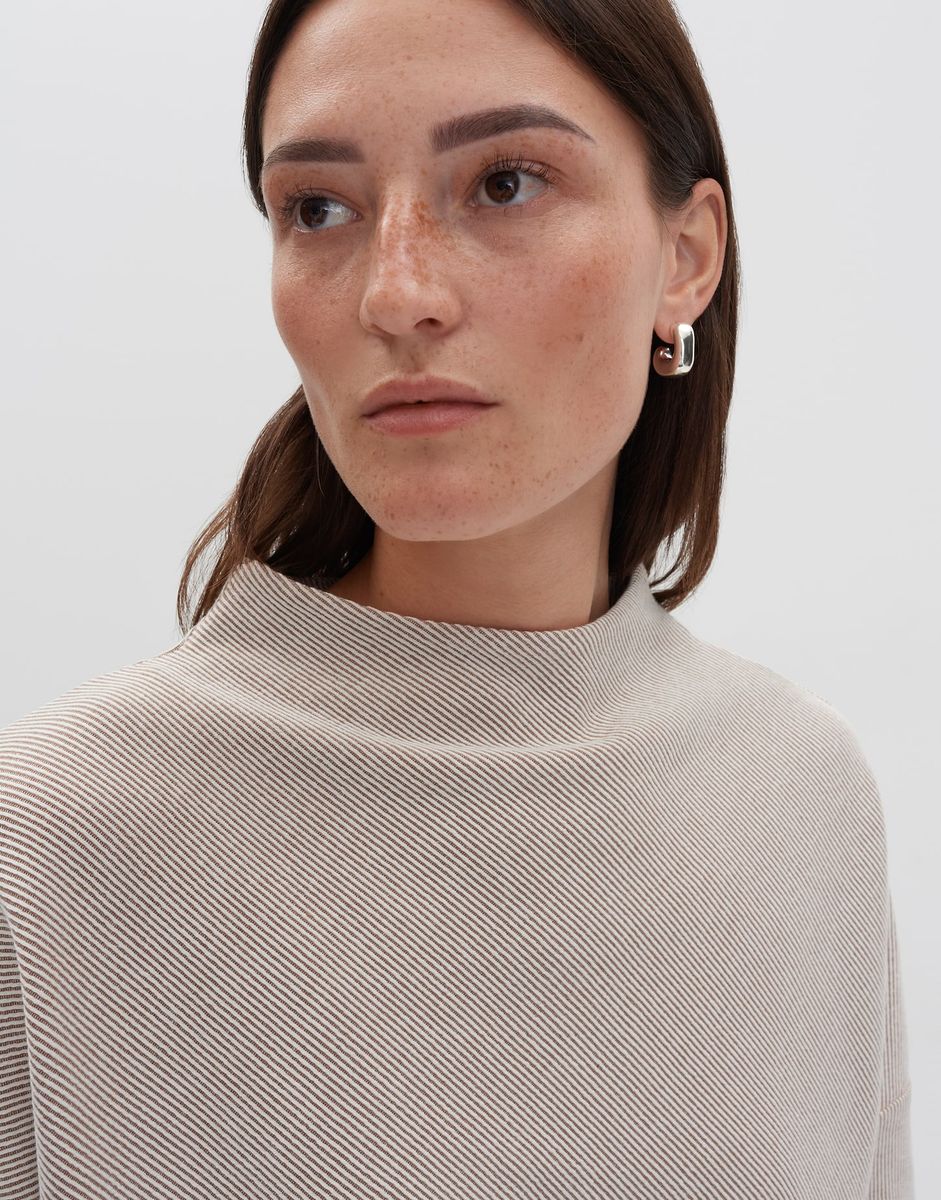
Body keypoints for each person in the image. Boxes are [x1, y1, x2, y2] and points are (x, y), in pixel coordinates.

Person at [0, 0, 914, 1196]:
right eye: (317, 208)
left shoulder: (800, 793)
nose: (397, 294)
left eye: (504, 184)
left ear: (685, 257)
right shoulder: (60, 838)